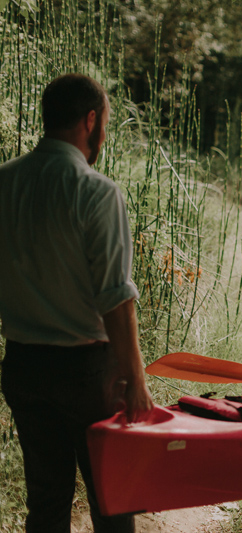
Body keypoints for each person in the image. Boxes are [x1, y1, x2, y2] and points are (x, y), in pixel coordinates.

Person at [0, 74, 154, 532]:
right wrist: (135, 377)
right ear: (91, 121)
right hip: (88, 375)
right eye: (104, 121)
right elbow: (115, 298)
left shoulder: (4, 183)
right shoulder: (97, 192)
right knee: (112, 500)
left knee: (46, 503)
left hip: (24, 367)